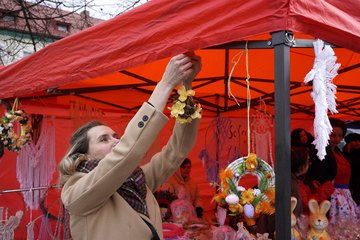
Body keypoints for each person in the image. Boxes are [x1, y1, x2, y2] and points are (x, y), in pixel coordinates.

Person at [58, 52, 202, 240]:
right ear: (85, 155)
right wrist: (165, 85)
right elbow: (126, 153)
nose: (116, 141)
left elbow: (176, 151)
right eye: (104, 139)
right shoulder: (76, 193)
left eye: (115, 136)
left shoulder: (137, 180)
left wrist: (186, 86)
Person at [290, 146, 334, 217]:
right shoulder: (294, 184)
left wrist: (315, 189)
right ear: (299, 164)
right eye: (307, 160)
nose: (310, 163)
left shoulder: (298, 182)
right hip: (300, 222)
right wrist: (325, 190)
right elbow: (306, 203)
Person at [343, 133, 360, 205]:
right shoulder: (344, 153)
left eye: (359, 141)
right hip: (348, 183)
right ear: (349, 142)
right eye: (355, 141)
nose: (358, 143)